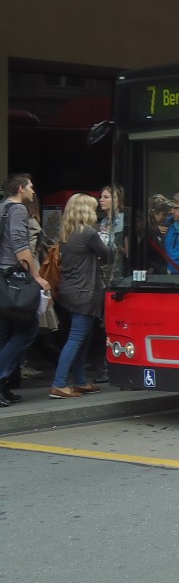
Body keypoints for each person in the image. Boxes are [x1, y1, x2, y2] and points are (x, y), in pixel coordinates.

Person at [49, 193, 113, 399]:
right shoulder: (88, 233)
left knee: (82, 338)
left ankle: (79, 381)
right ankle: (59, 383)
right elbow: (108, 254)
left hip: (69, 291)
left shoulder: (67, 232)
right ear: (86, 210)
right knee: (76, 338)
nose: (96, 212)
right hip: (84, 292)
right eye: (93, 208)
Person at [0, 174, 51, 408]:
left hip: (2, 279)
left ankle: (4, 388)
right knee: (27, 329)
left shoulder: (1, 207)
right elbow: (21, 247)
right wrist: (37, 277)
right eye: (30, 187)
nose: (33, 190)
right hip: (14, 277)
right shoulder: (18, 210)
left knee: (6, 332)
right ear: (21, 189)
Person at [144, 193, 178, 273]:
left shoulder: (156, 230)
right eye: (163, 215)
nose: (165, 218)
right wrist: (161, 270)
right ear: (154, 212)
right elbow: (144, 258)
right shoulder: (146, 231)